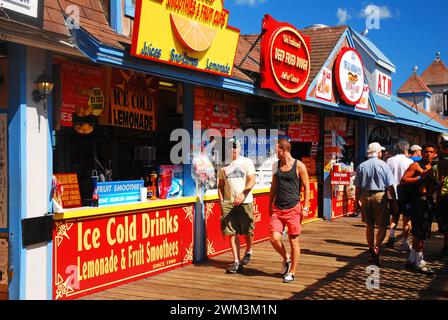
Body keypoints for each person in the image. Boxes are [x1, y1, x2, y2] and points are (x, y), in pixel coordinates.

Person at [269, 138, 310, 283]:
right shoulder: (276, 165)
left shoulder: (299, 166)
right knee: (274, 238)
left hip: (293, 208)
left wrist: (305, 207)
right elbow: (273, 187)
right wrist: (270, 204)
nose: (275, 153)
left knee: (294, 241)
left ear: (284, 150)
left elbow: (307, 187)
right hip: (278, 209)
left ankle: (292, 272)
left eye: (277, 150)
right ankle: (286, 257)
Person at [354, 142, 398, 267]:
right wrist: (394, 201)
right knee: (382, 225)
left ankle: (370, 249)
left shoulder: (361, 166)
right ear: (378, 152)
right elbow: (390, 186)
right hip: (380, 196)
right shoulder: (383, 165)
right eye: (381, 152)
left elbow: (357, 187)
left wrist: (357, 200)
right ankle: (377, 247)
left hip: (365, 195)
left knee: (369, 225)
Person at [218, 137, 256, 274]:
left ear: (239, 148)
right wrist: (222, 202)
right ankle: (236, 262)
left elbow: (252, 180)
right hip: (229, 203)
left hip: (245, 202)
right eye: (230, 147)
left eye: (235, 147)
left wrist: (243, 194)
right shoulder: (223, 165)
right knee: (232, 232)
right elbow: (220, 185)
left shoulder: (247, 162)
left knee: (247, 231)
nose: (232, 150)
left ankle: (249, 249)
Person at [401, 142, 438, 274]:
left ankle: (411, 260)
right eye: (426, 151)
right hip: (418, 202)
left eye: (431, 152)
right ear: (422, 153)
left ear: (435, 154)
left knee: (424, 232)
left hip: (428, 202)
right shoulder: (416, 165)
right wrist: (419, 177)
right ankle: (419, 261)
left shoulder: (435, 167)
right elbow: (403, 180)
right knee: (419, 232)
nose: (428, 154)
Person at [385, 139, 414, 250]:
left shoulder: (389, 160)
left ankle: (392, 235)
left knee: (394, 216)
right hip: (406, 193)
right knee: (407, 218)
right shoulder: (409, 162)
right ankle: (405, 242)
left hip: (391, 193)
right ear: (405, 149)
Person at [433, 133, 448, 261]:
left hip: (445, 197)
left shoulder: (442, 163)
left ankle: (445, 250)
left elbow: (441, 181)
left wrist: (436, 198)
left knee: (445, 225)